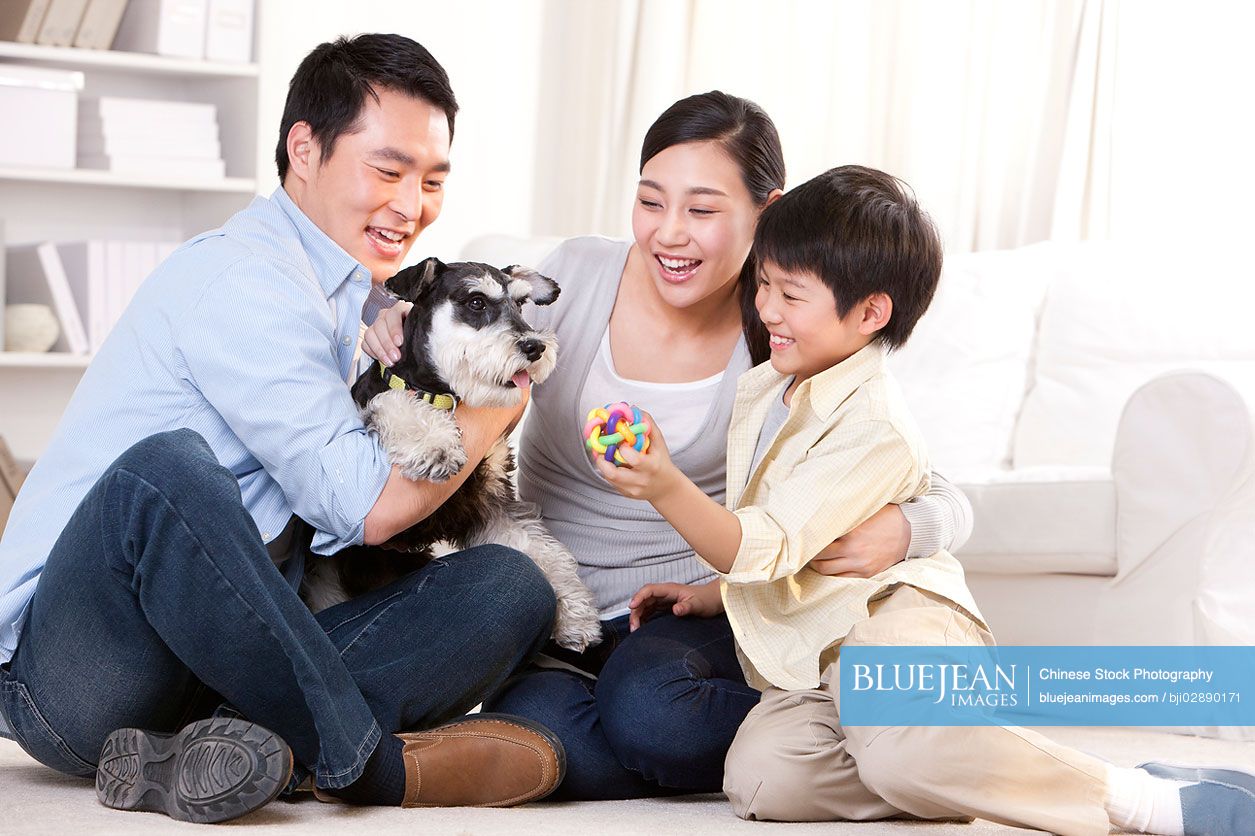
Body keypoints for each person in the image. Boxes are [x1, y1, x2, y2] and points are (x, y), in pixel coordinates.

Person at [0, 34, 565, 824]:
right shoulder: (243, 279)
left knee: (509, 584)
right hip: (82, 672)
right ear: (305, 148)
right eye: (388, 169)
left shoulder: (356, 299)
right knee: (165, 469)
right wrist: (498, 403)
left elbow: (350, 539)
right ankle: (366, 766)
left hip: (229, 662)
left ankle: (223, 751)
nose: (412, 203)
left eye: (432, 179)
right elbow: (362, 506)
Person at [597, 164, 1255, 836]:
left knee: (901, 743)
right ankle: (942, 761)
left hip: (898, 619)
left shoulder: (872, 422)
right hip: (814, 652)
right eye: (762, 284)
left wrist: (665, 486)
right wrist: (716, 592)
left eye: (789, 295)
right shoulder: (768, 387)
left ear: (870, 312)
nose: (765, 308)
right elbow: (791, 531)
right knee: (765, 778)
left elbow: (764, 541)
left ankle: (1144, 799)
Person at [363, 91, 974, 799]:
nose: (668, 234)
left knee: (655, 720)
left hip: (696, 611)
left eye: (702, 210)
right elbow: (443, 313)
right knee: (535, 720)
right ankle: (582, 744)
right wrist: (386, 319)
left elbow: (899, 461)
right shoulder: (575, 279)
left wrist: (910, 525)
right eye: (650, 202)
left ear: (765, 212)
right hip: (556, 611)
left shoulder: (785, 317)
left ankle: (831, 725)